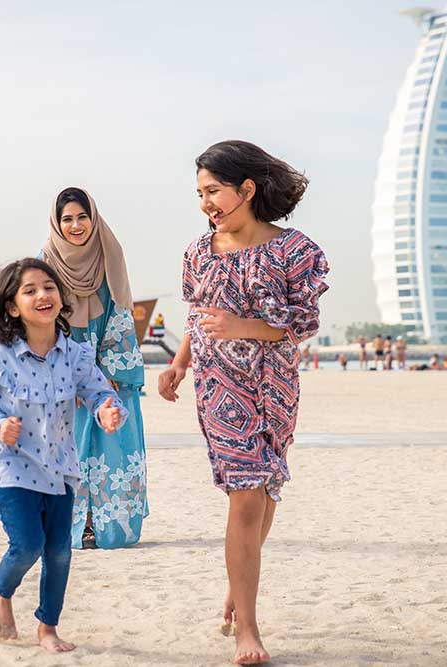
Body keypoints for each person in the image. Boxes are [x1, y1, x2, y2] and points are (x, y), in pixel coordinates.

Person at [158, 140, 328, 665]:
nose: (205, 203)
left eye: (213, 191)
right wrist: (179, 363)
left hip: (275, 388)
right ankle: (246, 632)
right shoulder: (197, 251)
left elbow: (300, 324)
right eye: (200, 193)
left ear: (246, 189)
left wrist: (243, 327)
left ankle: (239, 581)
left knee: (267, 491)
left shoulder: (295, 251)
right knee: (247, 497)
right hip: (219, 388)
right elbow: (197, 313)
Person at [0, 257, 126, 653]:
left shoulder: (77, 355)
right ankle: (2, 592)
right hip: (10, 465)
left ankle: (47, 628)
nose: (43, 295)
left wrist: (106, 409)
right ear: (13, 307)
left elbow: (99, 392)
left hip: (59, 465)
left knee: (59, 551)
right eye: (30, 290)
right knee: (28, 545)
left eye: (49, 287)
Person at [40, 187, 147, 550]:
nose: (75, 225)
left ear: (93, 218)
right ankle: (73, 527)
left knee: (110, 449)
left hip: (111, 373)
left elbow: (121, 313)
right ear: (57, 222)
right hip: (62, 375)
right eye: (67, 218)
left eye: (82, 217)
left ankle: (105, 527)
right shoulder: (46, 263)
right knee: (68, 450)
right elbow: (43, 321)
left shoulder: (109, 255)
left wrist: (106, 377)